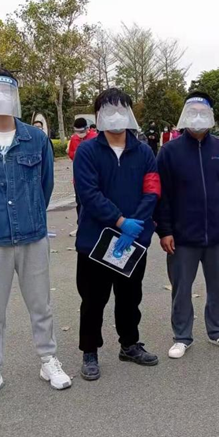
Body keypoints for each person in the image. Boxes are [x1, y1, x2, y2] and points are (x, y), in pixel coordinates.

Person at [0, 66, 71, 405]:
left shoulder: (35, 139)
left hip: (33, 236)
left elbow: (45, 184)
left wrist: (31, 213)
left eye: (5, 90)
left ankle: (48, 360)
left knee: (41, 305)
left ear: (15, 95)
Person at [74, 88, 161, 381]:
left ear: (130, 113)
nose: (115, 116)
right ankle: (90, 351)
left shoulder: (144, 151)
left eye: (121, 109)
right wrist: (120, 221)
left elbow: (152, 189)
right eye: (108, 110)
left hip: (133, 241)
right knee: (93, 300)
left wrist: (137, 223)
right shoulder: (87, 151)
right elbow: (88, 193)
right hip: (95, 241)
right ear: (98, 116)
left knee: (130, 296)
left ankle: (129, 344)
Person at [156, 92, 219, 359]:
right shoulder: (169, 152)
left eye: (202, 112)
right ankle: (182, 336)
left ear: (210, 116)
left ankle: (218, 331)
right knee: (181, 289)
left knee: (218, 287)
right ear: (185, 115)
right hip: (182, 236)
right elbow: (161, 195)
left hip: (217, 234)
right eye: (192, 112)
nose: (197, 118)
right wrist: (164, 230)